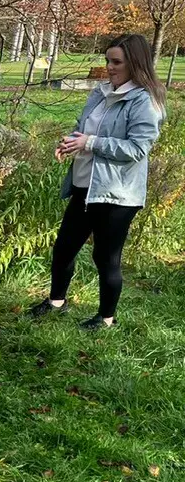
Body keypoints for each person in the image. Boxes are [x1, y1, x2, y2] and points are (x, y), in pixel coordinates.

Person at [29, 34, 165, 329]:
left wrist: (90, 143)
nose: (109, 67)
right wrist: (70, 141)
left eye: (116, 62)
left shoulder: (145, 102)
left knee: (106, 257)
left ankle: (105, 318)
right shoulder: (101, 93)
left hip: (117, 194)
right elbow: (83, 128)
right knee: (64, 247)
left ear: (136, 63)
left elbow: (136, 150)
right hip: (84, 186)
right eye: (107, 60)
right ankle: (56, 302)